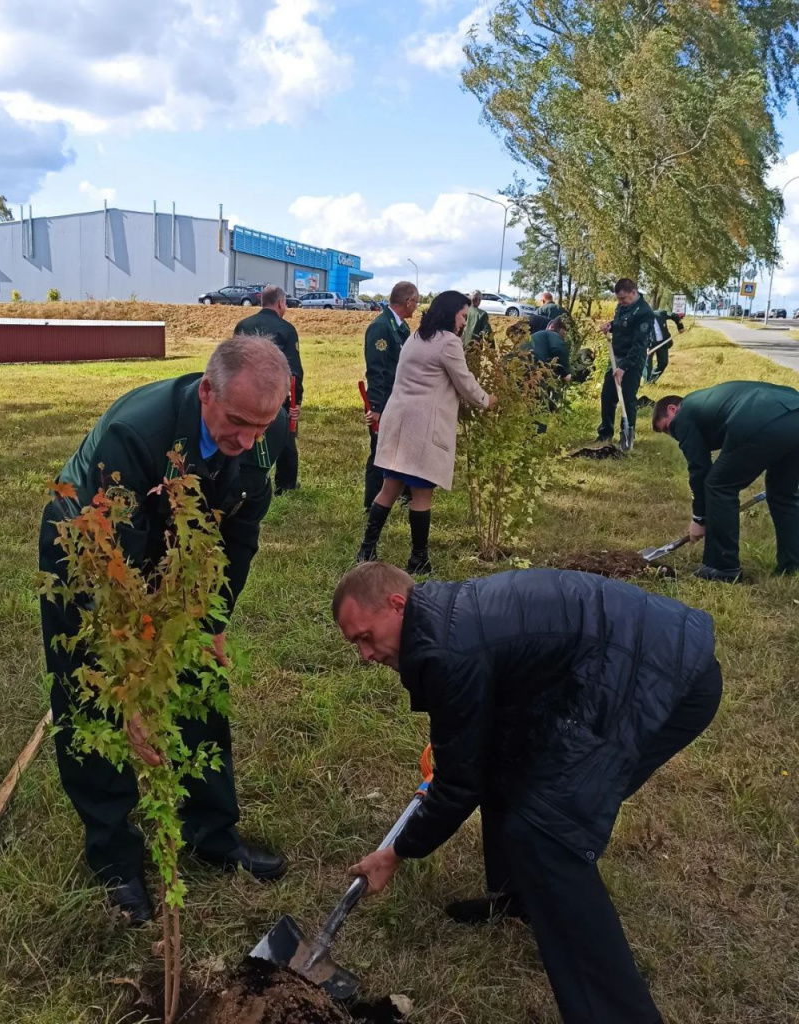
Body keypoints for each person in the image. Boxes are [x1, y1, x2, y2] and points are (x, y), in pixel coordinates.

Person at [333, 561, 722, 1024]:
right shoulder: (444, 617)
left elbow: (458, 787)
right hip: (626, 661)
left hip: (661, 680)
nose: (364, 655)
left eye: (365, 637)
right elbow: (479, 757)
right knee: (508, 767)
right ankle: (518, 897)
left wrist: (394, 853)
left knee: (547, 834)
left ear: (397, 605)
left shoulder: (444, 649)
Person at [39, 336, 291, 924]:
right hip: (89, 551)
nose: (249, 440)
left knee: (200, 679)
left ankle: (212, 833)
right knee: (93, 697)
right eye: (237, 423)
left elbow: (238, 538)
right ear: (207, 392)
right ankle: (113, 856)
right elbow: (114, 584)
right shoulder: (137, 434)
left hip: (181, 549)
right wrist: (131, 692)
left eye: (262, 425)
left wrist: (213, 621)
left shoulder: (262, 432)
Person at [357, 290, 497, 574]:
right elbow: (466, 383)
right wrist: (488, 400)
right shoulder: (448, 342)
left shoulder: (416, 336)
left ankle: (366, 549)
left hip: (398, 424)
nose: (463, 323)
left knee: (389, 489)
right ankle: (418, 559)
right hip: (422, 429)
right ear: (450, 314)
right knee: (422, 495)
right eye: (462, 316)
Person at [652, 381, 799, 581]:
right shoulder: (706, 402)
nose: (674, 435)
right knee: (783, 494)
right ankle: (793, 564)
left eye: (668, 428)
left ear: (672, 409)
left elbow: (699, 468)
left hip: (759, 418)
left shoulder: (685, 413)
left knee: (718, 486)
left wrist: (699, 518)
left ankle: (722, 568)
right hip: (793, 411)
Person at [234, 285, 303, 494]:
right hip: (275, 395)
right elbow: (294, 372)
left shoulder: (242, 325)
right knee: (285, 438)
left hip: (244, 393)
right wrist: (296, 402)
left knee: (242, 435)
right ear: (281, 302)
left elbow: (232, 362)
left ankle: (240, 476)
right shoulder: (286, 329)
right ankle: (286, 483)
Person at [363, 281, 421, 511]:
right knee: (380, 452)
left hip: (401, 400)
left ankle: (404, 495)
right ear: (408, 302)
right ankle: (371, 503)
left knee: (404, 449)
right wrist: (375, 407)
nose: (416, 307)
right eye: (416, 302)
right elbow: (376, 371)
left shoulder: (402, 327)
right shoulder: (381, 327)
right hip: (385, 401)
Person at [598, 277, 655, 446]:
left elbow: (639, 345)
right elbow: (620, 324)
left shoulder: (645, 313)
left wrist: (624, 367)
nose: (621, 302)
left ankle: (627, 438)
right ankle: (605, 434)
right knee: (607, 395)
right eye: (619, 299)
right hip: (616, 357)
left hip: (633, 360)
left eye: (624, 299)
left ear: (634, 293)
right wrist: (610, 326)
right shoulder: (622, 306)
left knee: (627, 398)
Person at [644, 309, 685, 383]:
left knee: (663, 363)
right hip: (649, 344)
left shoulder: (660, 314)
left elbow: (674, 315)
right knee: (647, 364)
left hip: (663, 342)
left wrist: (680, 327)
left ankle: (652, 380)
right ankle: (647, 382)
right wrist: (646, 347)